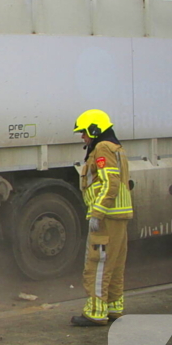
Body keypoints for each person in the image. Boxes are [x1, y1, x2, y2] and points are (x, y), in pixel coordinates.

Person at [71, 109, 133, 327]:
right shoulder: (116, 148)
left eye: (84, 132)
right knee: (114, 265)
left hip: (107, 217)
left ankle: (95, 313)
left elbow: (110, 183)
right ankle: (113, 308)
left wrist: (97, 213)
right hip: (118, 215)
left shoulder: (102, 148)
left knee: (97, 264)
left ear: (94, 130)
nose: (82, 137)